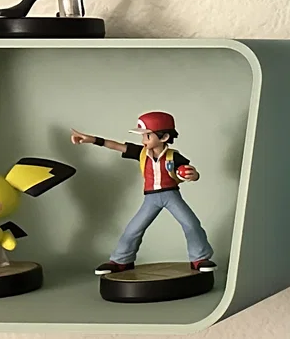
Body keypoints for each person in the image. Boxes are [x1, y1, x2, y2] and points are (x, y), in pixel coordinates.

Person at [69, 111, 215, 275]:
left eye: (147, 136)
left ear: (164, 137)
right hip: (151, 198)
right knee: (133, 229)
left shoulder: (174, 156)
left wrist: (193, 175)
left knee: (191, 224)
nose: (143, 140)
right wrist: (92, 139)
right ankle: (121, 260)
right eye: (143, 136)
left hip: (171, 195)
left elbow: (189, 172)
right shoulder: (141, 152)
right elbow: (116, 145)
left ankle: (199, 258)